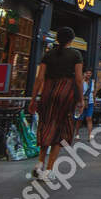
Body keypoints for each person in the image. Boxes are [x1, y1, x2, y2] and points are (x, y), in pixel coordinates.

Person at [30, 27, 85, 181]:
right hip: (66, 93)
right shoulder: (75, 55)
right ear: (71, 40)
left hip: (48, 92)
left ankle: (40, 162)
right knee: (59, 131)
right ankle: (49, 170)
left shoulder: (48, 55)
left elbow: (39, 78)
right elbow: (79, 79)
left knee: (46, 126)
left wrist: (34, 99)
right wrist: (81, 99)